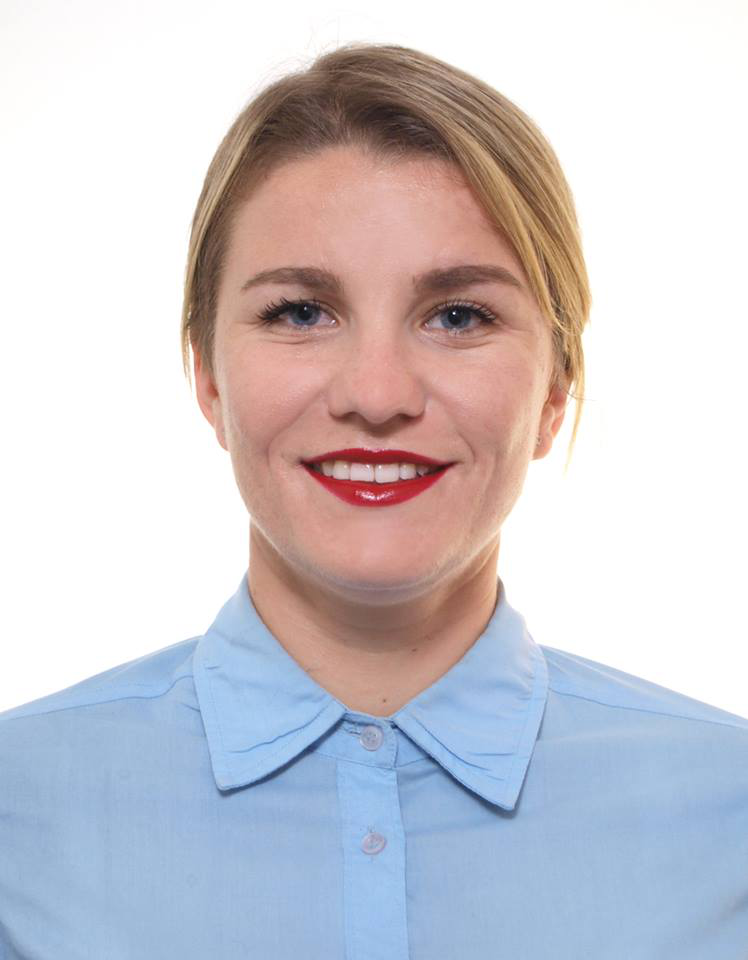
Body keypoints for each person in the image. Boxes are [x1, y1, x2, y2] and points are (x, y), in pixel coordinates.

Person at [1, 41, 746, 960]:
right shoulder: (16, 814)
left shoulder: (732, 819)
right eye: (300, 313)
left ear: (556, 391)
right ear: (208, 378)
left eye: (459, 316)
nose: (378, 393)